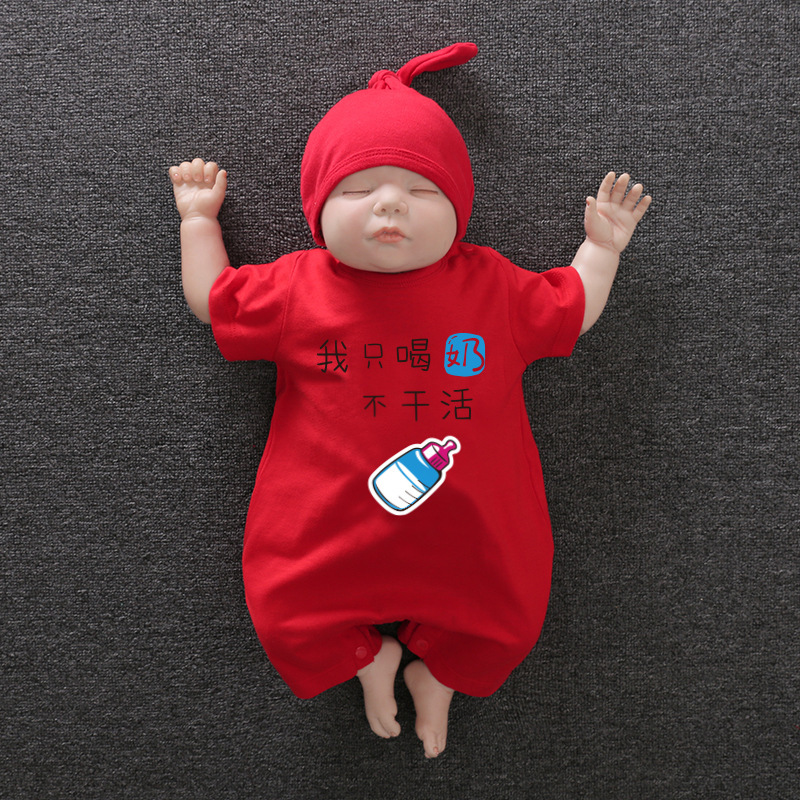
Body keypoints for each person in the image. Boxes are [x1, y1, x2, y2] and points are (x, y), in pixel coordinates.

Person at [169, 43, 650, 759]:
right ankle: (366, 659)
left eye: (421, 191)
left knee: (511, 617)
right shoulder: (298, 287)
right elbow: (215, 301)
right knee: (283, 613)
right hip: (323, 532)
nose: (390, 204)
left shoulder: (491, 287)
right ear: (317, 212)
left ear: (458, 211)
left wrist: (601, 251)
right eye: (359, 189)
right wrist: (198, 223)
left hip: (474, 536)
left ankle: (442, 673)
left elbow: (569, 307)